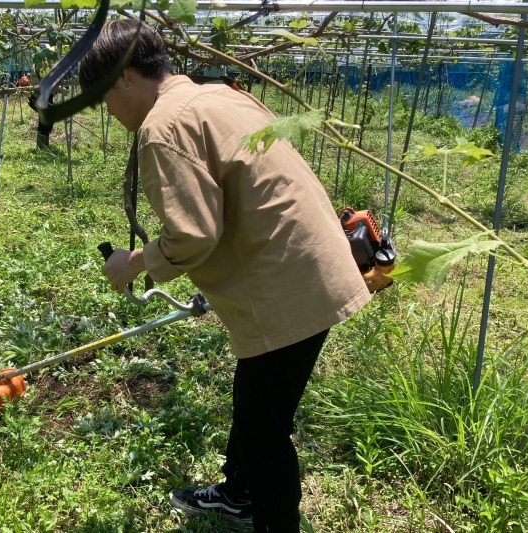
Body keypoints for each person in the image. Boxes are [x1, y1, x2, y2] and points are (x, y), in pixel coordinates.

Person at [78, 19, 370, 533]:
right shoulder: (221, 96)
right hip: (309, 264)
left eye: (104, 97)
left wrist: (133, 264)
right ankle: (238, 494)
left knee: (265, 429)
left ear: (124, 77)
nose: (110, 111)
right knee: (257, 398)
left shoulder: (162, 127)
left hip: (283, 285)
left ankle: (271, 519)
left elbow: (193, 235)